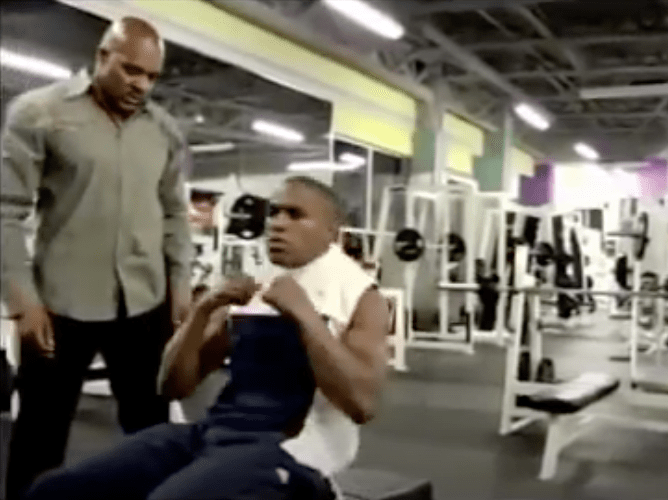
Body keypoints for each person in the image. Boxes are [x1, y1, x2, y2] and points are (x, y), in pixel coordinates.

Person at [24, 176, 390, 500]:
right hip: (215, 433)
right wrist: (203, 311)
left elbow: (362, 405)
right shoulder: (260, 285)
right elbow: (174, 386)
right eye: (274, 212)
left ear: (332, 230)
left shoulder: (361, 296)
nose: (277, 224)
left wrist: (306, 316)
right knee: (56, 489)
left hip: (298, 447)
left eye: (295, 215)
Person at [0, 17, 193, 499]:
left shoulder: (165, 131)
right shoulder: (38, 113)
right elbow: (5, 211)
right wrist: (22, 301)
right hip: (60, 305)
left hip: (144, 304)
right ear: (102, 55)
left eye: (151, 76)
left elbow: (174, 213)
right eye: (131, 70)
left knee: (151, 432)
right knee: (40, 437)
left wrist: (182, 288)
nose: (141, 85)